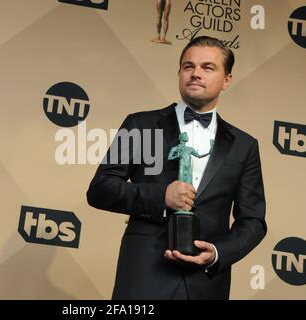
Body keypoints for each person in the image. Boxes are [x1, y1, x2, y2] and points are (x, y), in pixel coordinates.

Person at [86, 36, 267, 300]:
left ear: (227, 80)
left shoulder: (244, 145)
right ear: (179, 73)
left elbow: (253, 221)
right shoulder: (141, 125)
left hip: (205, 285)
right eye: (188, 66)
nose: (195, 74)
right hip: (144, 276)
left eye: (208, 67)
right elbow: (100, 189)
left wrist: (217, 253)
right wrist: (161, 197)